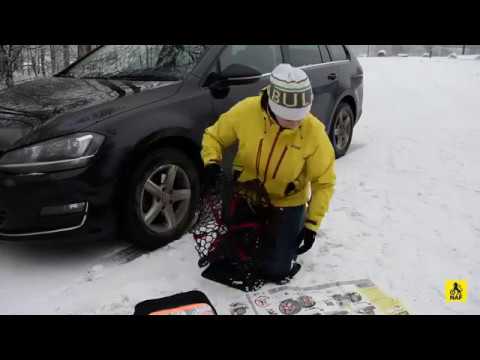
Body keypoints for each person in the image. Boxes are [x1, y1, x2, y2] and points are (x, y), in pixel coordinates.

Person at [201, 63, 336, 283]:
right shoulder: (246, 111)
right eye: (288, 117)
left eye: (299, 117)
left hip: (287, 200)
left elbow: (324, 182)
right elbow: (213, 136)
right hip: (246, 193)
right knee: (234, 254)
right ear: (272, 106)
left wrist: (313, 223)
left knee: (275, 270)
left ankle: (293, 225)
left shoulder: (314, 132)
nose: (295, 122)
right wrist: (211, 163)